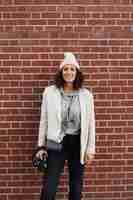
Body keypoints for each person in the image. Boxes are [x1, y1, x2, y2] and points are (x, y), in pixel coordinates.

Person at [35, 52, 96, 200]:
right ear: (61, 72)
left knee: (76, 186)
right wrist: (41, 146)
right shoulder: (49, 92)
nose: (69, 72)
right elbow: (44, 120)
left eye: (72, 69)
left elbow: (90, 123)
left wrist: (90, 148)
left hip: (78, 143)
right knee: (50, 185)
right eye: (65, 69)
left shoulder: (86, 95)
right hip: (56, 142)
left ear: (77, 72)